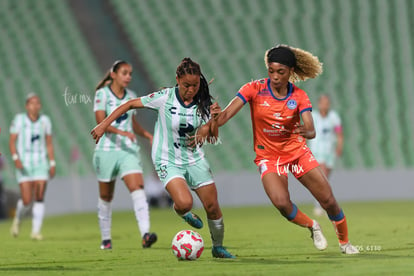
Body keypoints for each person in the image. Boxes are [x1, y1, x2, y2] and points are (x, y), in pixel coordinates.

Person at [207, 45, 359, 254]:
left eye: (281, 72)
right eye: (271, 70)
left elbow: (311, 129)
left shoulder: (299, 96)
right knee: (281, 203)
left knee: (328, 200)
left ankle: (345, 243)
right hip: (268, 157)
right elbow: (222, 118)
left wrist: (307, 130)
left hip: (296, 154)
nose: (275, 76)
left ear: (291, 72)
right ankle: (312, 226)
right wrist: (215, 116)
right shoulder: (253, 89)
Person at [91, 58, 235, 258]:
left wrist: (214, 122)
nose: (191, 89)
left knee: (212, 207)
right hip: (167, 159)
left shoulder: (204, 103)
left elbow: (213, 136)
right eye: (186, 85)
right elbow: (130, 104)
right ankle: (183, 212)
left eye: (195, 85)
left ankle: (218, 247)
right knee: (185, 203)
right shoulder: (165, 97)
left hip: (194, 159)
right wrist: (104, 124)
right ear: (177, 80)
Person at [93, 60, 157, 250]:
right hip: (106, 151)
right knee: (106, 196)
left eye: (130, 73)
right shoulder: (102, 94)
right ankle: (106, 239)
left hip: (128, 150)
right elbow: (100, 121)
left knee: (137, 186)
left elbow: (133, 124)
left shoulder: (132, 96)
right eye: (124, 73)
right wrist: (122, 133)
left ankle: (145, 234)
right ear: (113, 75)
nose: (128, 76)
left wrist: (146, 135)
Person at [9, 93, 56, 240]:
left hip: (41, 163)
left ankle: (35, 231)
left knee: (40, 196)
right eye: (32, 103)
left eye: (38, 103)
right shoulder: (19, 120)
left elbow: (49, 143)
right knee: (27, 200)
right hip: (24, 163)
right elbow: (12, 142)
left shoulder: (45, 121)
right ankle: (18, 219)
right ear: (26, 106)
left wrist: (52, 162)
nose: (35, 106)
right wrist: (15, 158)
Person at [308, 94, 343, 216]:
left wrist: (339, 146)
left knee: (325, 180)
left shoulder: (334, 117)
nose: (325, 105)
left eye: (327, 103)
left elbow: (339, 133)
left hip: (330, 152)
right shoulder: (313, 116)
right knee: (322, 176)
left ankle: (323, 204)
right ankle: (319, 206)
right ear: (319, 104)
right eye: (323, 102)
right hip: (317, 151)